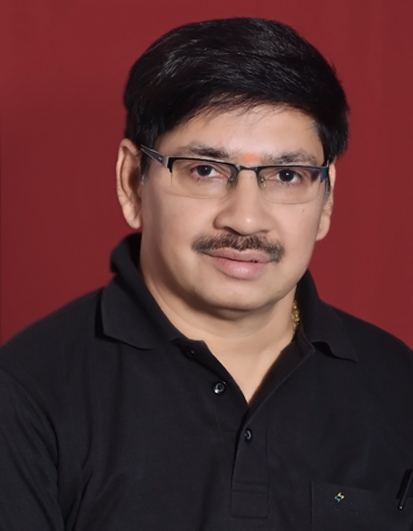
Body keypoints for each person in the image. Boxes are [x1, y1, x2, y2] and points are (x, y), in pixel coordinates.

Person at [0, 17, 412, 531]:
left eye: (286, 175)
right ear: (132, 181)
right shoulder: (27, 393)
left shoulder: (398, 384)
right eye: (205, 170)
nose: (245, 219)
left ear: (326, 198)